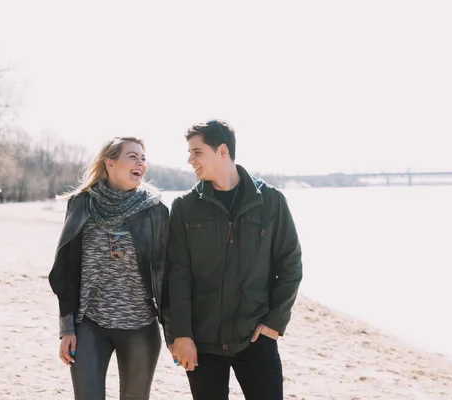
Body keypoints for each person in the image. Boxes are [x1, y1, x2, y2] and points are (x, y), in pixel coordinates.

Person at [166, 120, 303, 400]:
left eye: (196, 151)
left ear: (222, 151)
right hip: (202, 342)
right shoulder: (185, 208)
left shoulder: (272, 202)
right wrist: (180, 334)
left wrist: (274, 322)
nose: (190, 159)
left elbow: (290, 266)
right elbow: (175, 275)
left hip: (255, 338)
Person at [48, 136, 169, 400]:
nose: (140, 163)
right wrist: (66, 328)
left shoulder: (156, 211)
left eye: (143, 158)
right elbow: (65, 270)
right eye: (133, 156)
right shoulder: (81, 204)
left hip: (140, 325)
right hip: (89, 324)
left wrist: (178, 331)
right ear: (110, 163)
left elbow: (169, 273)